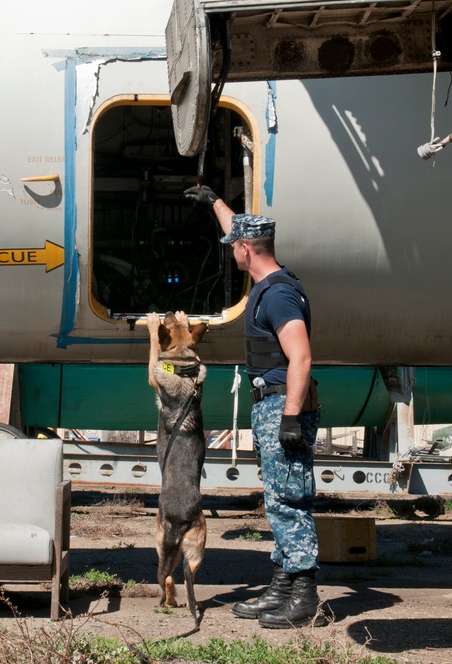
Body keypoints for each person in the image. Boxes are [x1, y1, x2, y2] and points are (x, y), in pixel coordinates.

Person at [184, 184, 322, 629]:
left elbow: (300, 357)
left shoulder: (278, 295)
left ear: (246, 249)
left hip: (285, 404)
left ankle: (303, 594)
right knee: (277, 498)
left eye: (234, 247)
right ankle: (282, 585)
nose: (231, 253)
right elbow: (237, 230)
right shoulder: (265, 279)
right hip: (272, 404)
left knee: (289, 499)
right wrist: (215, 204)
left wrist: (291, 418)